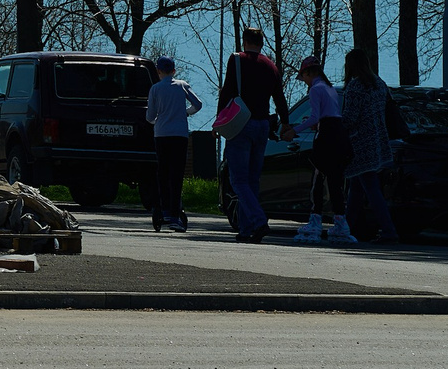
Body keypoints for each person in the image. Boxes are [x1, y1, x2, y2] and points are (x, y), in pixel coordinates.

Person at [218, 26, 284, 243]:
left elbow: (227, 90)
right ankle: (246, 230)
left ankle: (258, 221)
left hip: (241, 123)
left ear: (245, 40)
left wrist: (218, 121)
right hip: (263, 124)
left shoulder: (237, 59)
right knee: (253, 180)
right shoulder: (270, 65)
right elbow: (279, 98)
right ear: (262, 42)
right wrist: (287, 123)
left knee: (238, 180)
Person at [341, 48, 400, 244]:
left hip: (360, 144)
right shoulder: (379, 84)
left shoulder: (355, 87)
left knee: (371, 189)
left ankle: (389, 231)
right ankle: (346, 229)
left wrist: (333, 126)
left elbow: (350, 118)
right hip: (378, 141)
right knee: (357, 189)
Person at [292, 56, 352, 243]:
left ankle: (315, 220)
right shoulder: (330, 89)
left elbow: (315, 117)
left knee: (318, 177)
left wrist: (294, 130)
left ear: (310, 73)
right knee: (335, 181)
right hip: (338, 134)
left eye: (304, 77)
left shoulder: (316, 89)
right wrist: (313, 123)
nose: (305, 82)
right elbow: (327, 115)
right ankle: (341, 221)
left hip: (325, 136)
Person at [144, 56, 202, 233]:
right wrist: (185, 113)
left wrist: (157, 121)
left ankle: (165, 209)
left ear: (159, 71)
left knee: (163, 172)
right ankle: (176, 215)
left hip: (161, 134)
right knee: (177, 174)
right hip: (180, 135)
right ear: (174, 71)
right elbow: (198, 104)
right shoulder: (182, 85)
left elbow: (150, 117)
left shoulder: (155, 89)